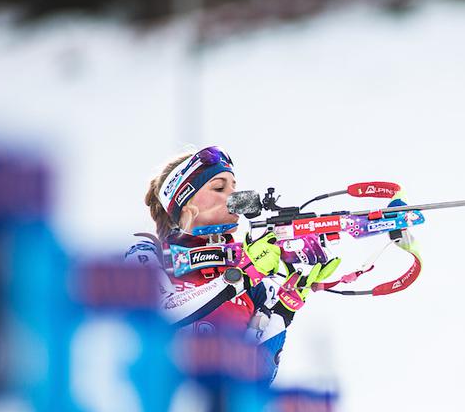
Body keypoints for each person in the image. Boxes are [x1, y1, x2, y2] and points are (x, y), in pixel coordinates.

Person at [124, 145, 339, 384]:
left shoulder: (251, 275)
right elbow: (162, 313)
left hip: (219, 411)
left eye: (234, 187)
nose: (234, 197)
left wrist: (283, 309)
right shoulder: (147, 254)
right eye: (219, 187)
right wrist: (239, 278)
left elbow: (257, 378)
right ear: (185, 203)